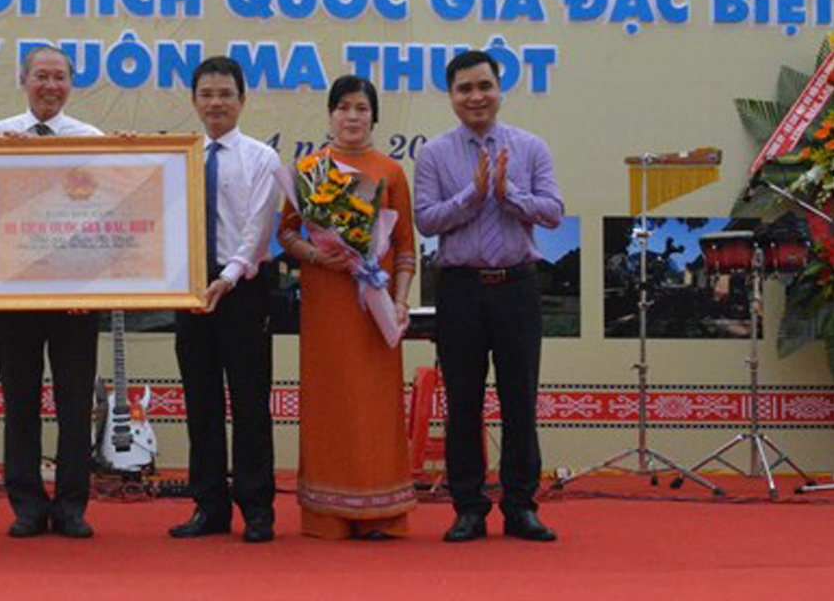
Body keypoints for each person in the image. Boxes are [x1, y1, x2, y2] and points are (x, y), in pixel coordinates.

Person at [413, 50, 563, 543]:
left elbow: (553, 211)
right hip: (460, 290)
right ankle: (469, 508)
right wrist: (473, 196)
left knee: (520, 401)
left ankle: (521, 506)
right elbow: (427, 220)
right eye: (464, 88)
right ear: (452, 96)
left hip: (517, 286)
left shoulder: (531, 146)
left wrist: (508, 192)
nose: (475, 96)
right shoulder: (434, 154)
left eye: (484, 86)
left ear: (500, 89)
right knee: (463, 403)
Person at [277, 75, 417, 540]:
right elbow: (287, 234)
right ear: (330, 114)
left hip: (373, 306)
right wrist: (319, 255)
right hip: (326, 303)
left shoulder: (390, 172)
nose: (352, 116)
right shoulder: (310, 169)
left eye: (361, 107)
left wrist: (397, 301)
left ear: (374, 115)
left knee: (375, 407)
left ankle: (382, 514)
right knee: (329, 402)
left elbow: (403, 247)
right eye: (343, 107)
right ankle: (326, 514)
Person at [0, 46, 102, 539]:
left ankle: (72, 505)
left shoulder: (92, 141)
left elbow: (105, 221)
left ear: (71, 83)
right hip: (13, 295)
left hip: (74, 294)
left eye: (59, 77)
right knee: (21, 402)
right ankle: (27, 504)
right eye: (41, 76)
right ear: (24, 80)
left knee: (75, 403)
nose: (50, 85)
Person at [169, 56, 280, 544]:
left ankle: (257, 510)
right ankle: (208, 506)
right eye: (206, 95)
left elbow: (258, 232)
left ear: (241, 99)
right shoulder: (179, 155)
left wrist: (229, 277)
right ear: (194, 101)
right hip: (191, 288)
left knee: (251, 401)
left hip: (244, 290)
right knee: (202, 401)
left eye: (225, 94)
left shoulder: (261, 158)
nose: (216, 103)